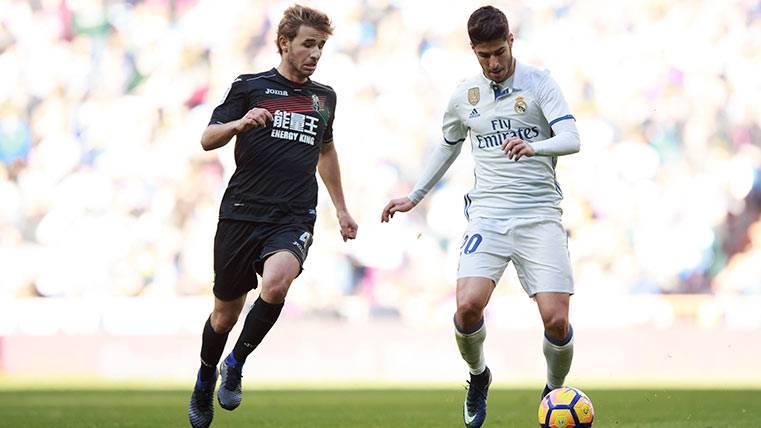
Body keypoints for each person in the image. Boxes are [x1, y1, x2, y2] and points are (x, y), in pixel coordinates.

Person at [381, 6, 580, 428]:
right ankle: (478, 376)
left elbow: (571, 137)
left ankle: (553, 390)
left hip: (540, 215)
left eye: (499, 53)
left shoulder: (540, 83)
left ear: (511, 41)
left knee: (557, 320)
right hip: (488, 217)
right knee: (467, 307)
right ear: (473, 50)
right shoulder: (465, 95)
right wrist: (415, 195)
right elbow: (447, 144)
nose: (493, 63)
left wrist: (536, 147)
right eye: (484, 55)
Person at [188, 5, 358, 428]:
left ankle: (235, 363)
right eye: (308, 44)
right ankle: (205, 378)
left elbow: (326, 151)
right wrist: (239, 124)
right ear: (284, 43)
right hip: (242, 213)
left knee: (278, 282)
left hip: (293, 215)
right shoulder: (250, 86)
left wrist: (341, 208)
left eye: (320, 46)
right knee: (224, 316)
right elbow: (207, 138)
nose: (315, 53)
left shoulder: (324, 98)